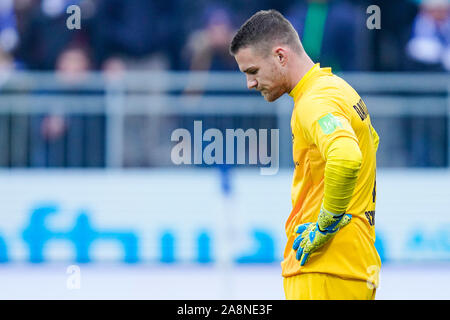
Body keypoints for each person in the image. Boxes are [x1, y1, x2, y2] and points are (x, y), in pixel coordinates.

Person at [229, 9, 380, 300]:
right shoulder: (339, 89)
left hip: (323, 269)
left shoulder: (315, 101)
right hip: (352, 265)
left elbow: (346, 156)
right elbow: (370, 143)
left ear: (280, 56)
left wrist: (325, 225)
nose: (250, 83)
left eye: (252, 71)